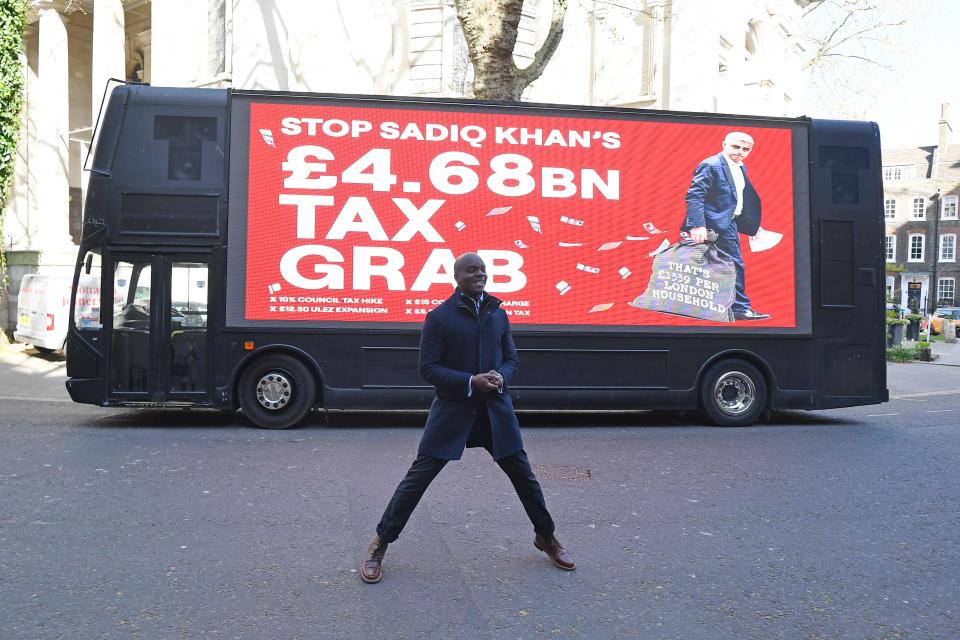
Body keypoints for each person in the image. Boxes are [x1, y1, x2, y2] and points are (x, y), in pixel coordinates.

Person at [360, 252, 575, 584]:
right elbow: (427, 368)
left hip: (495, 414)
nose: (480, 274)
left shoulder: (498, 315)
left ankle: (545, 537)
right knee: (416, 480)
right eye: (472, 270)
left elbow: (512, 359)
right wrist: (468, 381)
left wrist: (502, 376)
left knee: (525, 478)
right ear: (457, 277)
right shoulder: (439, 318)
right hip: (453, 413)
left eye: (483, 270)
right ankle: (380, 543)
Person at [682, 131, 770, 320]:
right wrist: (698, 226)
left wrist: (752, 225)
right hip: (713, 224)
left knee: (721, 265)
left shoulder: (740, 167)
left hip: (728, 223)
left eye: (746, 149)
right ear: (724, 144)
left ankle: (730, 307)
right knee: (731, 264)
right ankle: (739, 308)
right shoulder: (711, 164)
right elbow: (695, 196)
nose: (740, 152)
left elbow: (735, 200)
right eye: (736, 147)